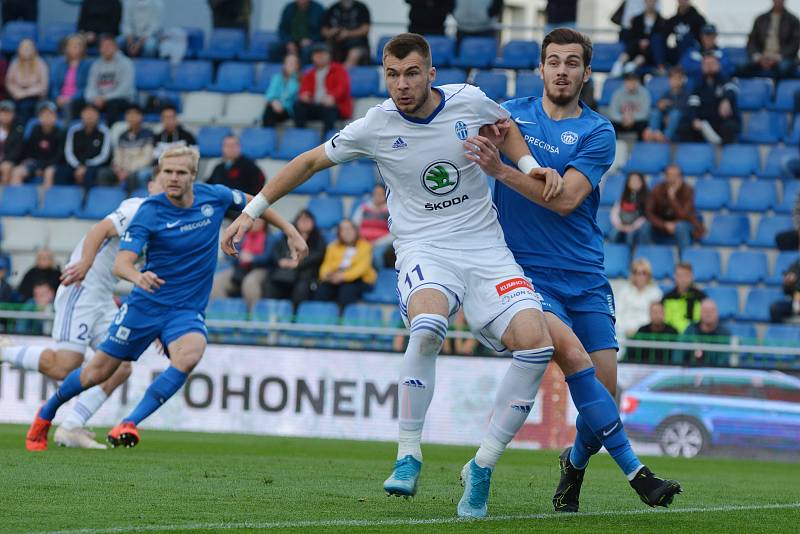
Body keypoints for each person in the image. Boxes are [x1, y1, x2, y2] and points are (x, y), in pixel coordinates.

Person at [222, 33, 559, 519]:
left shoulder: (468, 100)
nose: (402, 84)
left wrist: (526, 163)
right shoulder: (376, 125)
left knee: (537, 345)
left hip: (486, 247)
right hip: (425, 249)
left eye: (412, 73)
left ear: (431, 73)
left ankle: (482, 466)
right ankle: (407, 454)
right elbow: (309, 161)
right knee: (428, 326)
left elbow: (503, 127)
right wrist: (252, 211)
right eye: (393, 74)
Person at [462, 27, 681, 514]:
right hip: (525, 276)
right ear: (540, 68)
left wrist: (503, 171)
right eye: (554, 61)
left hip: (584, 274)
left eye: (572, 62)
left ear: (586, 72)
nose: (562, 70)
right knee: (574, 356)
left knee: (605, 387)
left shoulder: (598, 132)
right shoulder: (508, 117)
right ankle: (637, 473)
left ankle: (575, 464)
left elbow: (565, 201)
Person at [25, 146, 307, 452]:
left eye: (181, 172)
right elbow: (122, 263)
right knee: (97, 372)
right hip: (146, 304)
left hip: (185, 310)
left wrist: (289, 229)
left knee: (190, 354)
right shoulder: (149, 211)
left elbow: (256, 202)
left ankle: (128, 423)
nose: (173, 178)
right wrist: (137, 277)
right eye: (168, 172)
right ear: (160, 174)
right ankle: (45, 415)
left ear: (193, 176)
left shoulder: (214, 197)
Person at [1, 173, 165, 448]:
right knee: (65, 365)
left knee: (121, 366)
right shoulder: (138, 208)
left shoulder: (165, 227)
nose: (171, 184)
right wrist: (86, 263)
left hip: (103, 296)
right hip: (81, 286)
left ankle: (72, 426)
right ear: (151, 187)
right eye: (164, 178)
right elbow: (98, 230)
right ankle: (4, 351)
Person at [264, 209, 326, 310]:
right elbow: (275, 251)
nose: (304, 222)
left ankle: (294, 317)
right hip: (283, 274)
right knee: (270, 284)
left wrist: (299, 263)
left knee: (301, 289)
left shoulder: (318, 238)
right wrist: (281, 261)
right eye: (301, 219)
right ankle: (271, 315)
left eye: (307, 220)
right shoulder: (287, 236)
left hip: (305, 274)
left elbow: (319, 255)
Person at [315, 218, 376, 311]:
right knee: (321, 290)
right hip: (335, 277)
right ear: (339, 233)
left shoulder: (365, 246)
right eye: (343, 229)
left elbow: (361, 269)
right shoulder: (332, 247)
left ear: (355, 230)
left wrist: (343, 277)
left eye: (349, 229)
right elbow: (325, 265)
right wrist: (327, 275)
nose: (347, 232)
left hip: (359, 280)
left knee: (347, 290)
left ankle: (342, 321)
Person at [640, 164, 704, 252]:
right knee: (645, 226)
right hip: (661, 226)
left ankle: (684, 261)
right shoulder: (657, 189)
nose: (672, 178)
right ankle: (644, 258)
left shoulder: (688, 190)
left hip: (683, 224)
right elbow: (648, 213)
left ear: (681, 177)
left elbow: (684, 215)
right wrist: (665, 225)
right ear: (665, 177)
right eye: (669, 175)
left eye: (676, 175)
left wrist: (672, 198)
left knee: (681, 227)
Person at [677, 54, 739, 145]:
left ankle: (726, 155)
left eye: (712, 63)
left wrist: (726, 100)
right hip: (703, 124)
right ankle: (694, 155)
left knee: (730, 126)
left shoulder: (726, 80)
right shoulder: (698, 84)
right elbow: (692, 104)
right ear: (702, 67)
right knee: (684, 127)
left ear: (718, 65)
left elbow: (731, 90)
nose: (709, 66)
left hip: (721, 122)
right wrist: (694, 119)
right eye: (706, 64)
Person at [294, 43, 352, 133]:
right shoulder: (309, 73)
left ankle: (327, 140)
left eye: (322, 54)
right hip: (315, 104)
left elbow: (343, 88)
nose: (319, 56)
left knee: (329, 109)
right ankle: (301, 135)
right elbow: (303, 89)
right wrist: (304, 95)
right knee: (298, 105)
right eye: (316, 54)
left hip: (334, 106)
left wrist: (332, 96)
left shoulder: (339, 70)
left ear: (329, 56)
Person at [99, 104, 155, 190]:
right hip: (122, 170)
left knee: (134, 176)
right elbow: (117, 156)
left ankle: (132, 200)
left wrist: (128, 170)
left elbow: (147, 159)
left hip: (137, 169)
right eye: (129, 114)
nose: (132, 117)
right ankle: (107, 200)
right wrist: (118, 170)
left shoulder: (148, 134)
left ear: (141, 116)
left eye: (135, 114)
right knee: (103, 173)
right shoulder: (122, 136)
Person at [740, 0, 800, 80]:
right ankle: (745, 90)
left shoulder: (793, 20)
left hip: (784, 57)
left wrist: (777, 57)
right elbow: (751, 42)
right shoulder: (760, 19)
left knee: (783, 68)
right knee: (741, 67)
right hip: (762, 56)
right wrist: (758, 57)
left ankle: (776, 91)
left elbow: (794, 45)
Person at [84, 35, 136, 125]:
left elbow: (125, 89)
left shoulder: (126, 63)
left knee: (112, 105)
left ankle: (111, 133)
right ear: (99, 49)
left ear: (116, 48)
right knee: (82, 105)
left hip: (121, 99)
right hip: (100, 100)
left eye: (109, 46)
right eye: (103, 46)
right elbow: (90, 86)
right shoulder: (96, 65)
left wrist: (105, 98)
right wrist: (93, 98)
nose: (106, 49)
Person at [11, 101, 64, 188]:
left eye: (50, 114)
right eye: (44, 114)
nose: (47, 117)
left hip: (51, 165)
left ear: (55, 117)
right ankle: (18, 199)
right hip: (36, 164)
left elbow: (58, 156)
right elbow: (30, 152)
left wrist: (42, 168)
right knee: (17, 172)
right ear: (39, 117)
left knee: (49, 172)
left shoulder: (60, 133)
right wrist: (33, 165)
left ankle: (46, 200)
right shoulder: (35, 130)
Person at [58, 103, 112, 188]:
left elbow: (104, 155)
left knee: (89, 174)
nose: (89, 116)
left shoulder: (104, 131)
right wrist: (78, 166)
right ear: (81, 115)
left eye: (92, 113)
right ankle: (63, 199)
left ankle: (88, 199)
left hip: (95, 165)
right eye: (86, 113)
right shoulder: (74, 131)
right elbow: (68, 152)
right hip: (75, 164)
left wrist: (86, 166)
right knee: (60, 172)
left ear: (98, 115)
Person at [611, 0, 668, 77]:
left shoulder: (661, 21)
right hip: (636, 48)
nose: (650, 3)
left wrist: (648, 42)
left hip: (650, 53)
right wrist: (640, 42)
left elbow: (660, 40)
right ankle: (620, 64)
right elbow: (632, 36)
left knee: (646, 52)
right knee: (631, 46)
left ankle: (631, 66)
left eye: (652, 1)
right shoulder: (637, 19)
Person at [614, 259, 663, 340]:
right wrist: (624, 329)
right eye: (636, 272)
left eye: (644, 273)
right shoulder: (624, 292)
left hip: (647, 334)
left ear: (648, 275)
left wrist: (642, 331)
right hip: (624, 333)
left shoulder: (656, 293)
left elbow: (656, 316)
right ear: (633, 274)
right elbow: (618, 314)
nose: (640, 276)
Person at [5, 39, 48, 125]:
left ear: (34, 49)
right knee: (8, 106)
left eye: (29, 47)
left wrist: (25, 93)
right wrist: (16, 92)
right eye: (23, 47)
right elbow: (9, 82)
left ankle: (23, 130)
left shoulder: (40, 63)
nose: (26, 49)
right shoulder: (15, 63)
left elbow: (43, 86)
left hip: (34, 96)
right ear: (18, 49)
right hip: (17, 95)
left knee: (24, 106)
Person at [642, 66, 690, 143]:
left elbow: (684, 109)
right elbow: (659, 105)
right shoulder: (666, 93)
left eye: (677, 78)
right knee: (655, 112)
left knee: (675, 114)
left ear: (681, 80)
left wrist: (669, 109)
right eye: (672, 78)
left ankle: (666, 137)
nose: (674, 81)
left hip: (681, 120)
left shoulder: (685, 94)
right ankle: (653, 134)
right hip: (666, 117)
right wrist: (660, 106)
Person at [50, 34, 92, 120]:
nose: (75, 47)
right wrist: (58, 97)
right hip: (59, 99)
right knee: (45, 107)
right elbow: (54, 85)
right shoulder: (58, 64)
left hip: (77, 100)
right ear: (66, 48)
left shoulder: (88, 65)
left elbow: (86, 87)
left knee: (68, 106)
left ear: (83, 48)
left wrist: (70, 99)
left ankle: (66, 131)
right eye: (72, 44)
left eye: (78, 44)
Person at [679, 298, 731, 366]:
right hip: (690, 371)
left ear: (717, 313)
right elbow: (679, 353)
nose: (708, 314)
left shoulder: (724, 333)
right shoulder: (690, 330)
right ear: (700, 313)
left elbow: (724, 360)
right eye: (705, 311)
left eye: (711, 311)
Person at [321, 0, 371, 67]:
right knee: (322, 52)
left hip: (357, 44)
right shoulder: (333, 8)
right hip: (335, 44)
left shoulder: (361, 7)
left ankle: (341, 75)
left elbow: (365, 29)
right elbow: (323, 31)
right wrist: (332, 32)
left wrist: (348, 33)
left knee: (354, 53)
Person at [662, 262, 706, 333]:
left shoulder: (701, 297)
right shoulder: (667, 297)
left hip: (693, 337)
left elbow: (702, 322)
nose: (682, 279)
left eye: (686, 275)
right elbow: (664, 321)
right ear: (674, 276)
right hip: (671, 336)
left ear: (692, 277)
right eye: (679, 275)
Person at [608, 72, 650, 139]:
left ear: (638, 82)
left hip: (637, 121)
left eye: (634, 81)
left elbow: (645, 113)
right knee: (611, 124)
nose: (632, 84)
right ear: (625, 82)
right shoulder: (617, 93)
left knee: (643, 124)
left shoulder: (644, 93)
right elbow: (612, 112)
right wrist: (623, 118)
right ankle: (615, 146)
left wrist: (632, 117)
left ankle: (641, 147)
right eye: (629, 81)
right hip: (621, 121)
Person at [662, 0, 706, 64]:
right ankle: (660, 67)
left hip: (694, 52)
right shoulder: (673, 20)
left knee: (686, 38)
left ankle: (681, 66)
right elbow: (664, 35)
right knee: (657, 38)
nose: (683, 1)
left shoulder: (698, 19)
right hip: (678, 50)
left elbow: (705, 37)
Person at [262, 54, 300, 128]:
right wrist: (274, 101)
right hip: (275, 108)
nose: (290, 65)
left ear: (297, 66)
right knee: (269, 110)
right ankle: (267, 135)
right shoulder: (277, 77)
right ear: (284, 65)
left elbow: (295, 98)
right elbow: (270, 93)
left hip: (289, 110)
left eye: (293, 63)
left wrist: (293, 77)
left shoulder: (300, 80)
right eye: (288, 62)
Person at [0, 100, 26, 184]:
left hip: (12, 161)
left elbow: (16, 151)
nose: (5, 116)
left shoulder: (18, 129)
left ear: (13, 114)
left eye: (8, 113)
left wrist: (5, 161)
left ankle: (4, 195)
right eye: (3, 113)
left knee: (6, 167)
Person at [770, 258, 800, 323]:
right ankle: (779, 332)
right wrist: (789, 283)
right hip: (795, 302)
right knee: (775, 308)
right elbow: (786, 291)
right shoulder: (795, 265)